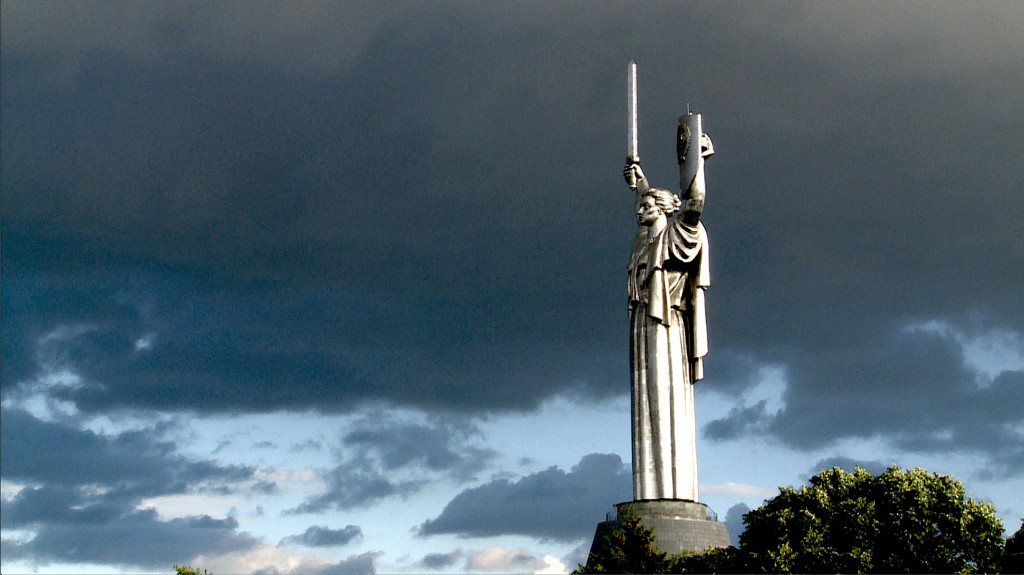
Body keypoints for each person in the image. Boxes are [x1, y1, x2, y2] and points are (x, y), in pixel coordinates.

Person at [623, 154, 709, 502]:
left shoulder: (678, 235)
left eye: (646, 205)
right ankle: (649, 495)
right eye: (640, 204)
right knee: (646, 405)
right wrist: (641, 182)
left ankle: (676, 495)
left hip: (668, 328)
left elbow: (695, 202)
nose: (640, 208)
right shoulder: (642, 242)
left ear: (662, 208)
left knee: (668, 402)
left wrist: (697, 164)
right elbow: (648, 204)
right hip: (643, 327)